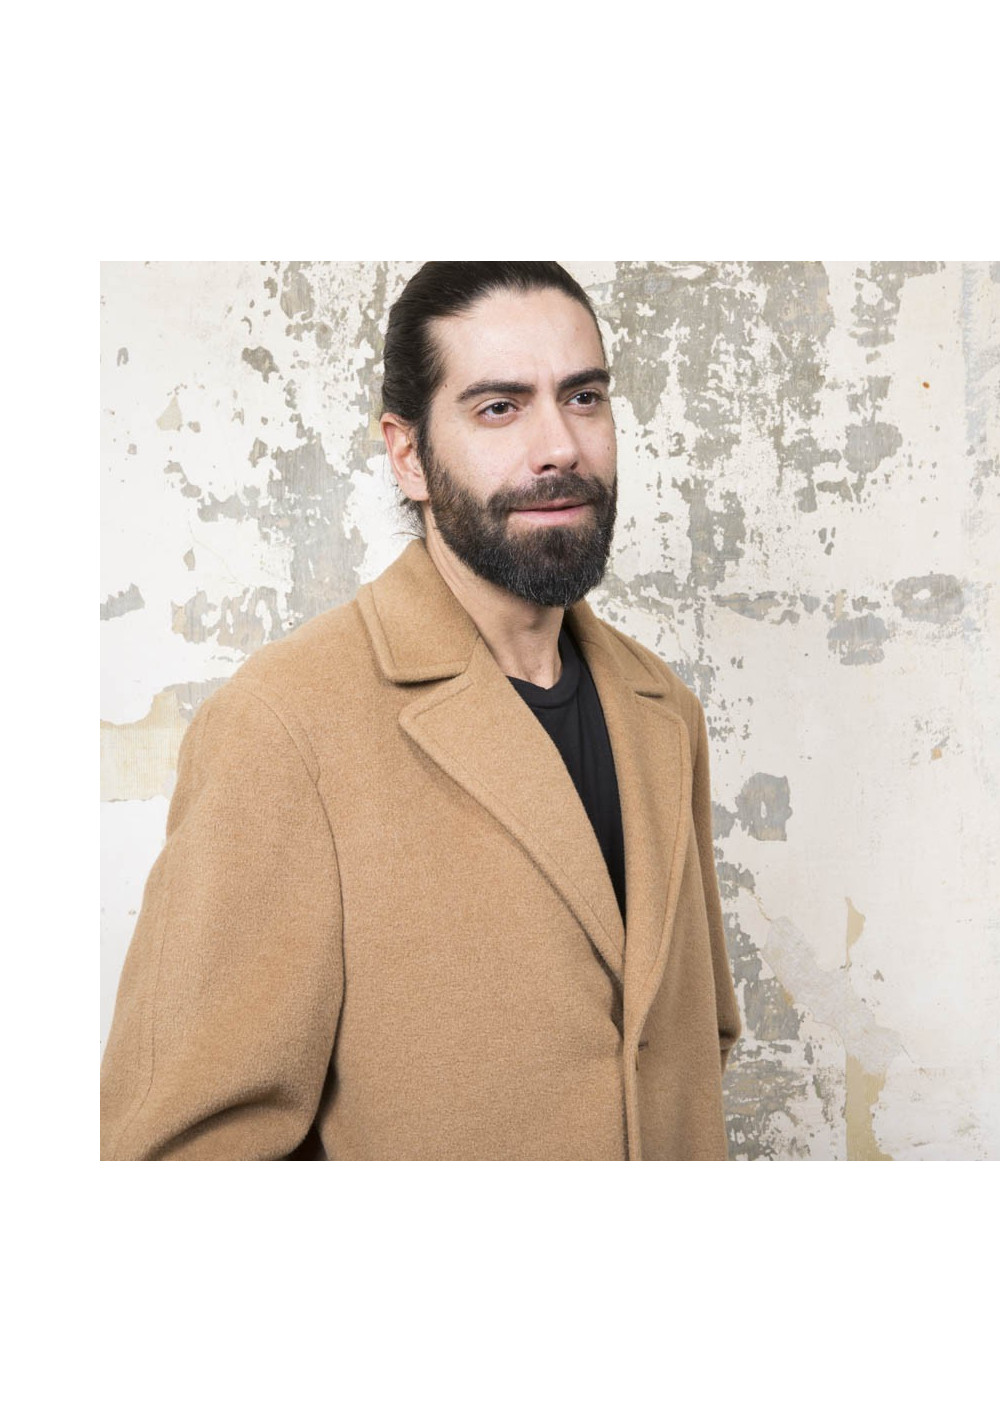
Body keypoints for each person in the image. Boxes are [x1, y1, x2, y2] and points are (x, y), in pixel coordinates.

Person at [100, 261, 742, 1161]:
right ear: (409, 456)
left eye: (584, 397)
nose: (560, 446)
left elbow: (688, 1047)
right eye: (499, 407)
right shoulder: (283, 725)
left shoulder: (663, 709)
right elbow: (182, 1152)